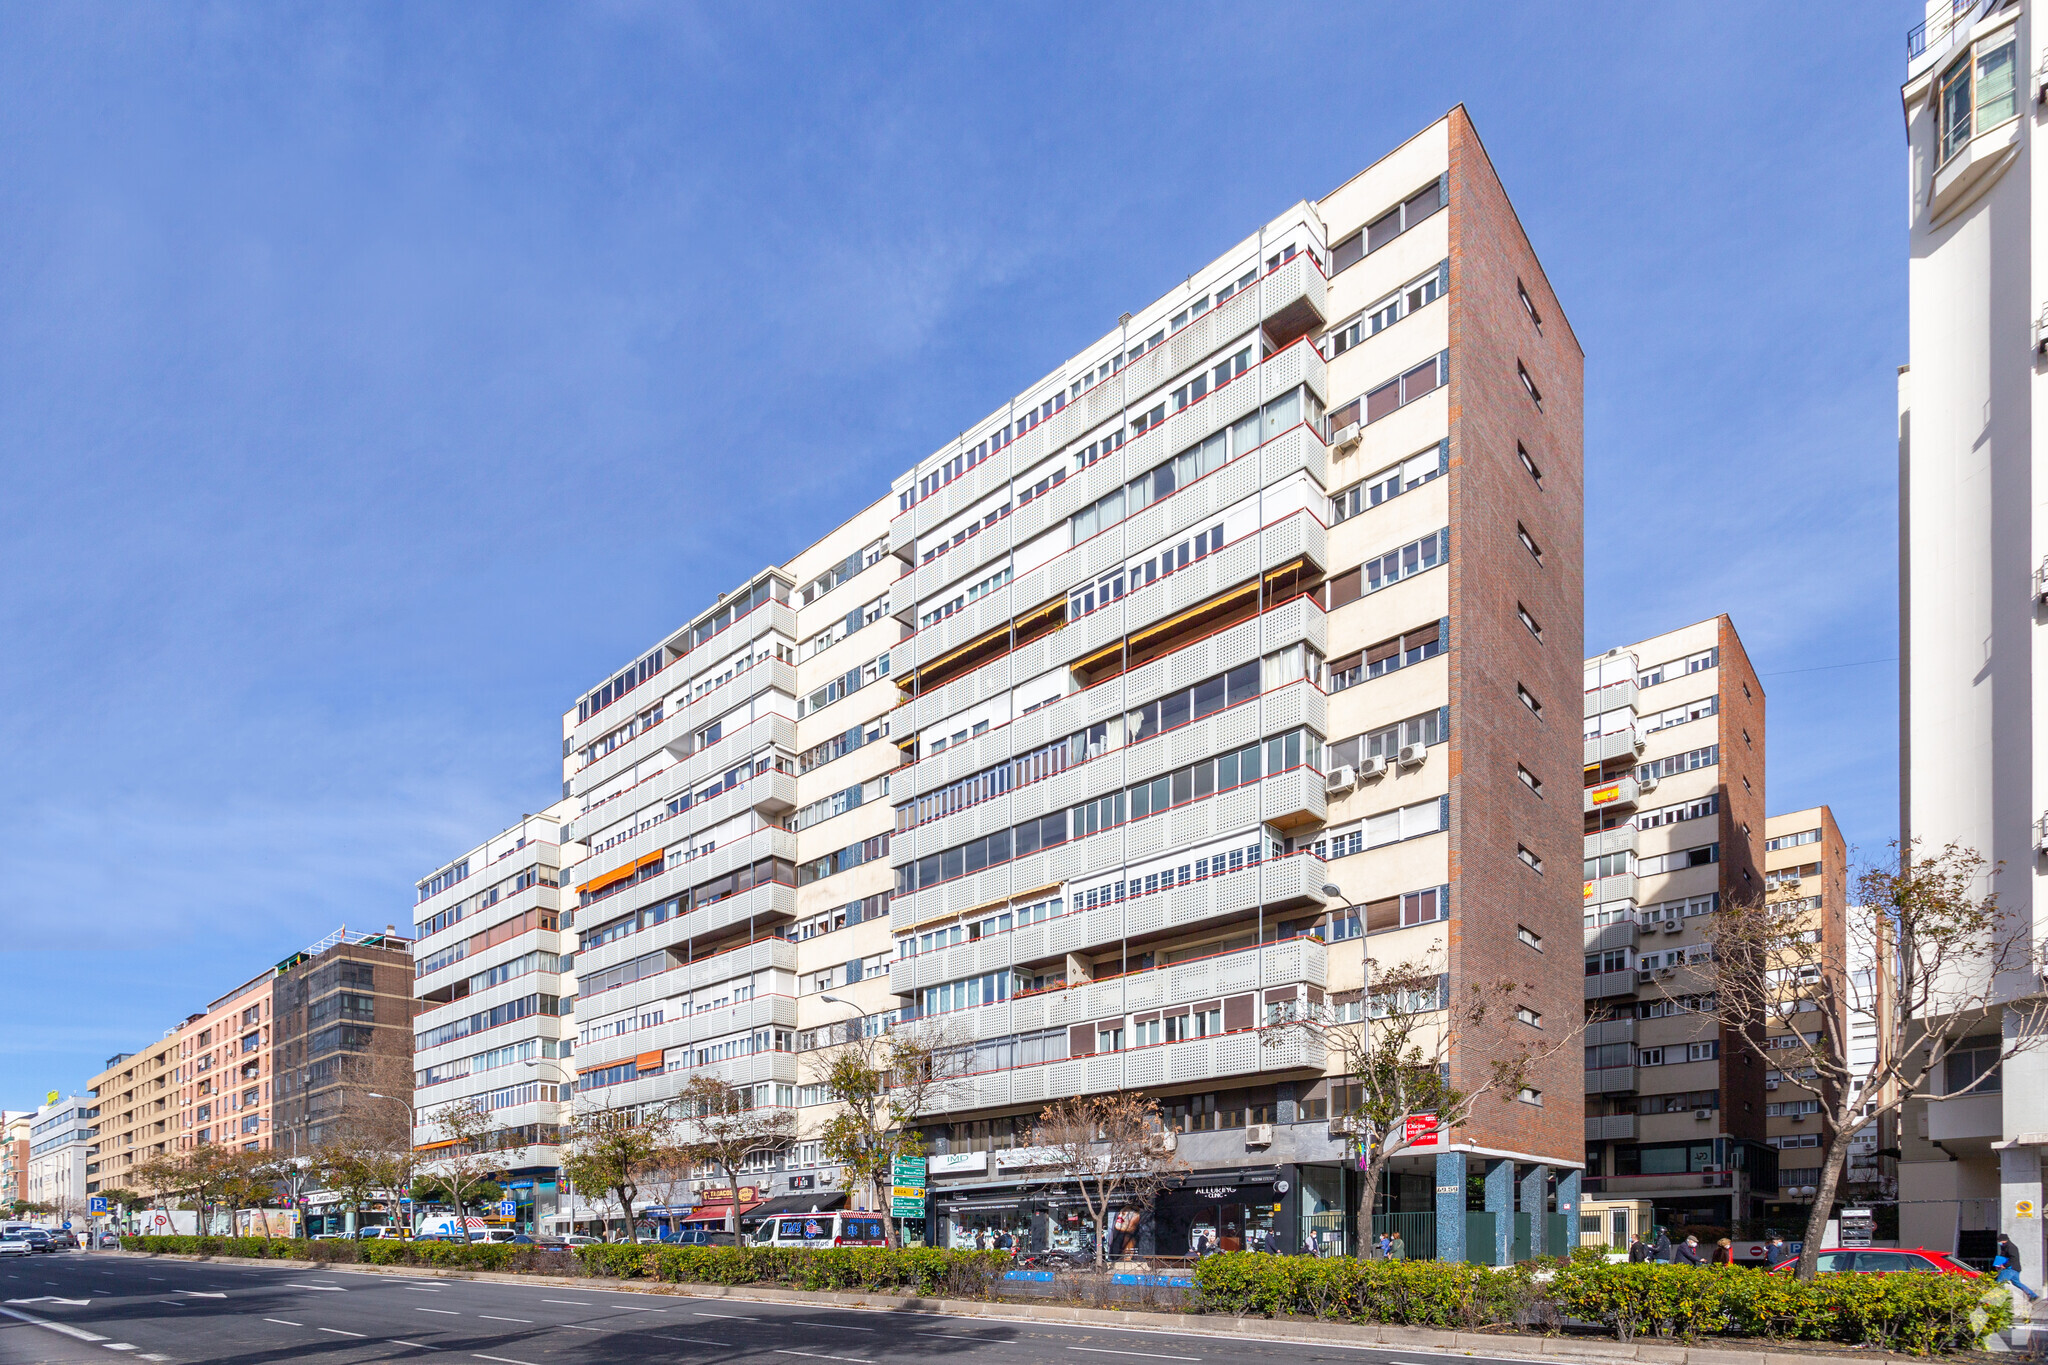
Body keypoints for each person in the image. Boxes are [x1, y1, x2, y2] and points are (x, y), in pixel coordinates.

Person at [1995, 1234, 2040, 1300]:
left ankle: (1997, 1299)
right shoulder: (2005, 1246)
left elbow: (2014, 1258)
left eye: (1999, 1241)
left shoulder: (2011, 1247)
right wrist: (1998, 1264)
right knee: (2017, 1283)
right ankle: (2032, 1295)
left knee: (1999, 1282)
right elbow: (2002, 1256)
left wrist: (2005, 1265)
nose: (1999, 1243)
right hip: (2015, 1269)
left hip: (2010, 1269)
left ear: (2004, 1240)